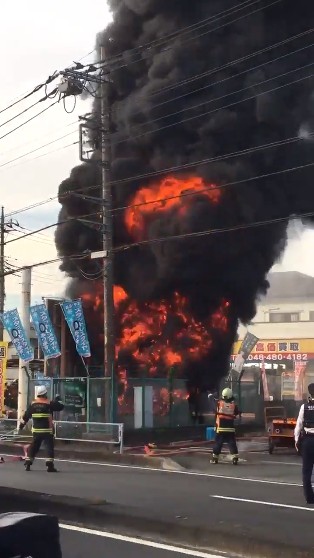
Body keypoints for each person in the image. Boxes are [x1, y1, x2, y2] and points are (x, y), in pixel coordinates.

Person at [19, 386, 64, 473]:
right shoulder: (48, 403)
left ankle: (28, 463)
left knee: (34, 446)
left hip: (36, 430)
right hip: (47, 430)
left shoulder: (33, 404)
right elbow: (61, 407)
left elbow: (26, 416)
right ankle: (49, 466)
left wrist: (21, 426)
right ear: (45, 394)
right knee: (49, 447)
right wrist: (58, 400)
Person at [294, 383, 314, 504]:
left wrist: (296, 441)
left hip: (307, 441)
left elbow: (298, 426)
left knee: (306, 471)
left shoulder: (304, 407)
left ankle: (310, 498)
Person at [212, 387, 239, 465]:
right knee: (231, 443)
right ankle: (235, 458)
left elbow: (214, 410)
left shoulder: (219, 404)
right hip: (230, 429)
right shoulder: (233, 405)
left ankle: (215, 458)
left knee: (218, 443)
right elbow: (236, 413)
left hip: (220, 428)